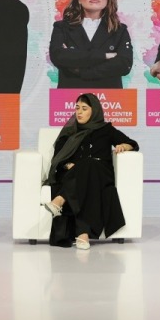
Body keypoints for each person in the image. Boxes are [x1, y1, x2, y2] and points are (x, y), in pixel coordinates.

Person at [44, 93, 139, 249]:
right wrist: (68, 166)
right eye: (77, 108)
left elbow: (132, 143)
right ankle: (83, 234)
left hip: (102, 174)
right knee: (86, 176)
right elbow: (58, 160)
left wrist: (123, 146)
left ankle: (60, 199)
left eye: (84, 108)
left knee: (90, 164)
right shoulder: (69, 132)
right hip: (74, 175)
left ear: (94, 111)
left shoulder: (106, 130)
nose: (79, 112)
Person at [50, 0, 133, 88]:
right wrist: (105, 56)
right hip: (70, 97)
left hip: (110, 97)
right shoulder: (61, 27)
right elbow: (58, 57)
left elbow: (124, 65)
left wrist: (82, 70)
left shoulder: (120, 30)